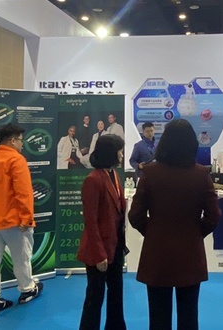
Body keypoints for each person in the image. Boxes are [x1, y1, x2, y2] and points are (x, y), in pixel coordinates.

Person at [129, 119, 221, 330]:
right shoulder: (201, 174)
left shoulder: (150, 173)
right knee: (189, 317)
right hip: (190, 253)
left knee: (158, 319)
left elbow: (135, 215)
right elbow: (214, 215)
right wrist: (196, 233)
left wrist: (153, 232)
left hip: (157, 254)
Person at [0, 124, 43, 318]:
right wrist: (26, 218)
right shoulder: (16, 160)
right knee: (21, 258)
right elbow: (23, 193)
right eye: (20, 140)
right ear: (12, 140)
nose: (22, 144)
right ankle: (27, 289)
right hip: (13, 221)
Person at [77, 134, 127, 330]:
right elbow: (91, 221)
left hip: (116, 246)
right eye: (119, 151)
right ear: (110, 153)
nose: (122, 155)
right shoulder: (93, 180)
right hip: (99, 249)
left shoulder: (113, 175)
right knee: (95, 296)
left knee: (116, 293)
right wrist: (99, 254)